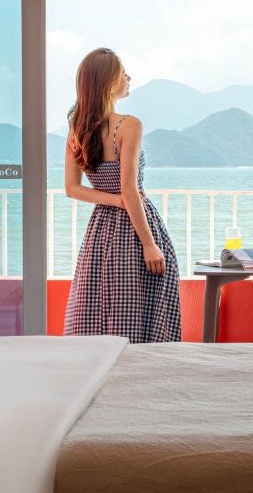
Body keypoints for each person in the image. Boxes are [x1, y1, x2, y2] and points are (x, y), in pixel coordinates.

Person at [62, 47, 181, 343]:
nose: (129, 78)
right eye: (123, 73)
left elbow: (72, 188)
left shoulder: (77, 128)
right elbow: (129, 190)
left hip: (101, 229)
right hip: (135, 224)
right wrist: (149, 244)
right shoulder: (129, 125)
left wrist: (113, 200)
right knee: (145, 301)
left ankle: (101, 361)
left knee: (99, 300)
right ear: (108, 81)